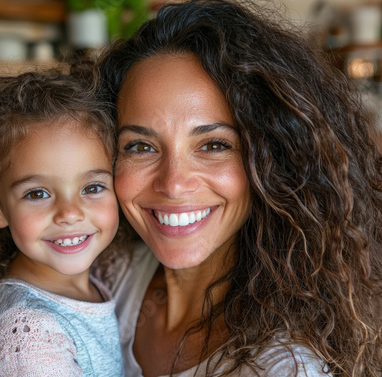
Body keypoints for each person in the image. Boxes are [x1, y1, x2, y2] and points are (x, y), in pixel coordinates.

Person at [96, 0, 382, 376]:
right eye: (140, 146)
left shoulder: (285, 367)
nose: (174, 183)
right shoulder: (102, 279)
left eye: (214, 145)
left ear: (273, 159)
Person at [0, 67, 126, 376]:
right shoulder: (30, 335)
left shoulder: (94, 277)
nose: (70, 213)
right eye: (38, 193)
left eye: (93, 188)